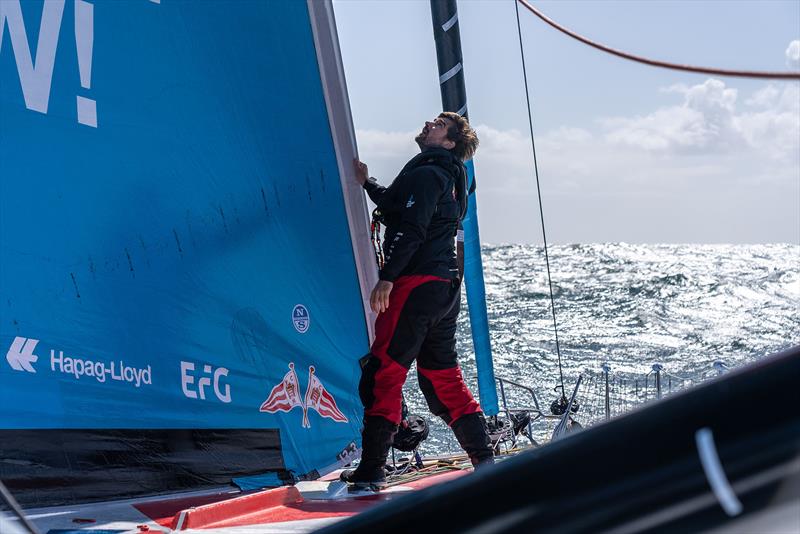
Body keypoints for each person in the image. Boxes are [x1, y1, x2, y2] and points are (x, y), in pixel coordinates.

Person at [342, 112, 494, 491]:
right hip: (444, 287)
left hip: (416, 282)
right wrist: (367, 182)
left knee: (384, 371)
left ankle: (371, 471)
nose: (430, 124)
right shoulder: (447, 177)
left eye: (440, 125)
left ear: (449, 142)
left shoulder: (428, 174)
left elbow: (411, 226)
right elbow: (399, 205)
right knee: (442, 377)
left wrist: (387, 279)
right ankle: (488, 465)